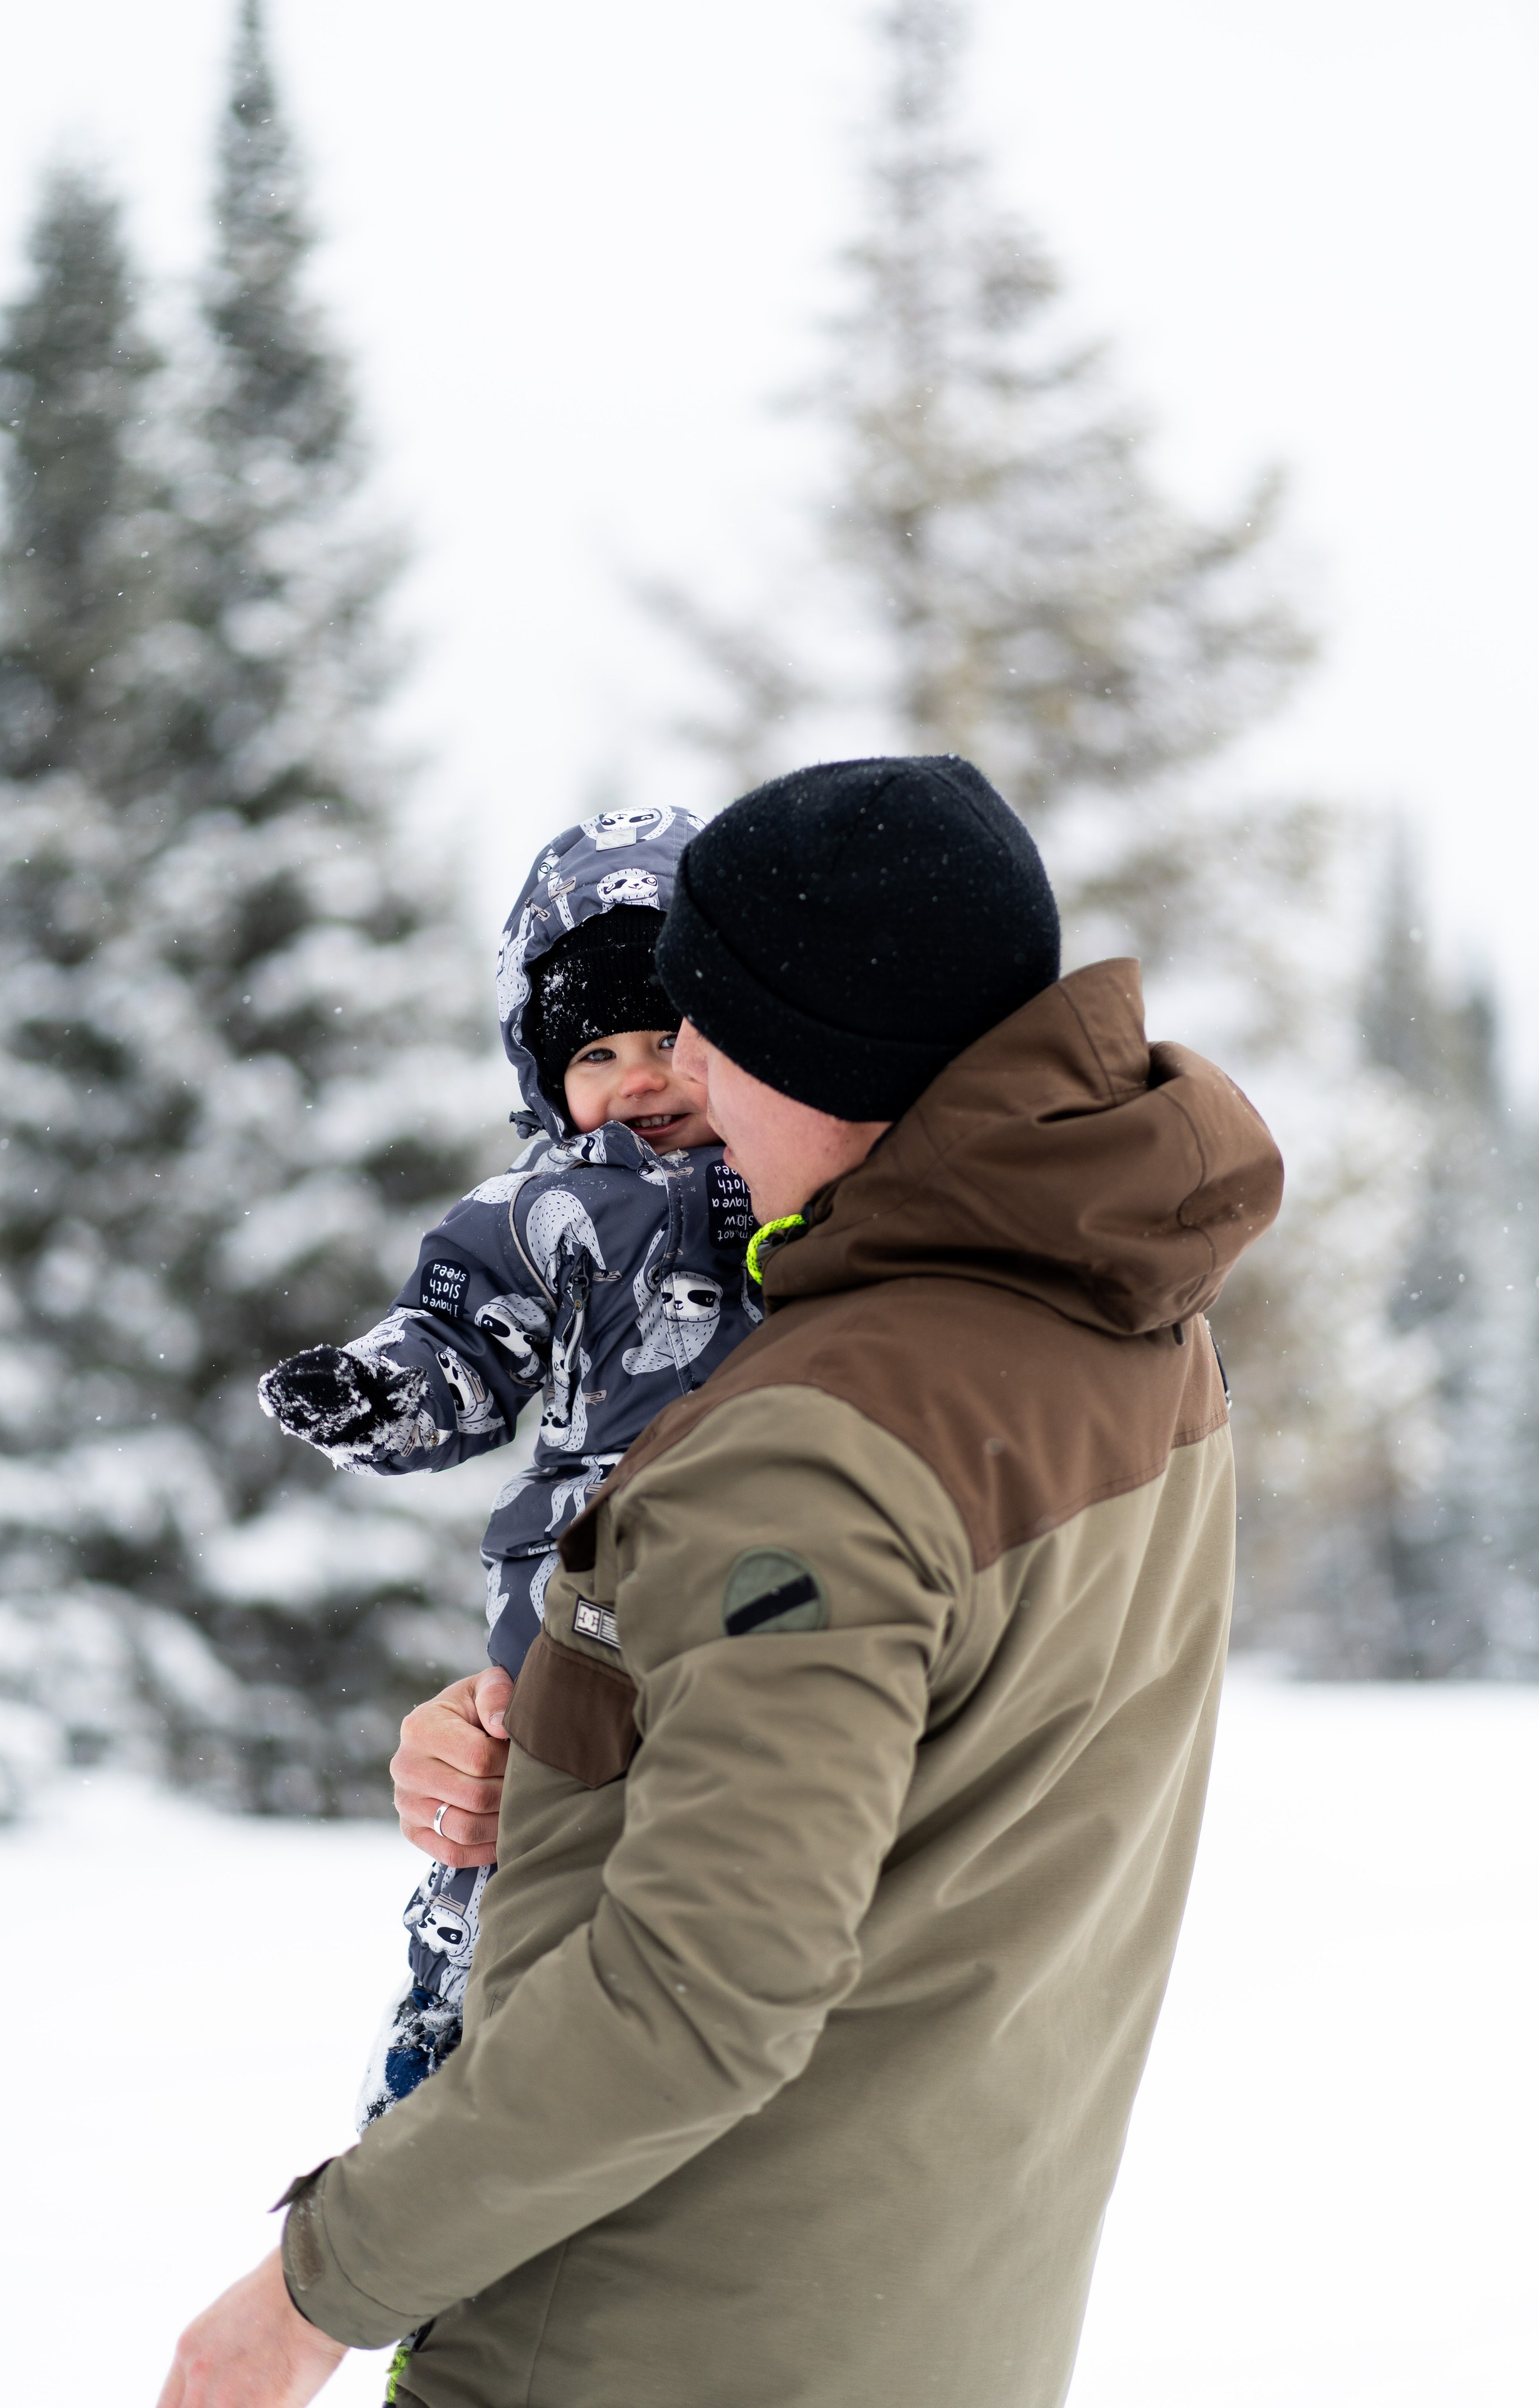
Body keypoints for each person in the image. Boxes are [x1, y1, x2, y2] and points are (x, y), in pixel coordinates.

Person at [159, 753, 1283, 2408]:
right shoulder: (1131, 1330)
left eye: (709, 1031)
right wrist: (558, 1729)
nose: (670, 1082)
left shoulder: (819, 1442)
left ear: (828, 1053)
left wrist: (306, 2293)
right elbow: (936, 1768)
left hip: (647, 2329)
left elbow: (698, 1993)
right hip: (942, 2304)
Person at [257, 806, 759, 2123]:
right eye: (596, 1051)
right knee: (510, 1857)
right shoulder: (542, 1210)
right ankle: (433, 2085)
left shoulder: (804, 1191)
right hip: (567, 1603)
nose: (640, 1077)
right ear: (545, 1077)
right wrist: (379, 1389)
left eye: (673, 1038)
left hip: (757, 1592)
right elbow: (461, 1346)